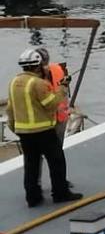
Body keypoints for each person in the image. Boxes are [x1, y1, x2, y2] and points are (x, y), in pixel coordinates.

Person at [11, 47, 79, 208]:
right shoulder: (38, 83)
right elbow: (51, 104)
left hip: (24, 133)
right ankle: (60, 193)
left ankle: (33, 197)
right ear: (38, 65)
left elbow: (10, 109)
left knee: (31, 165)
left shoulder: (14, 82)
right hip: (42, 131)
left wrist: (16, 128)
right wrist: (62, 88)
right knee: (56, 162)